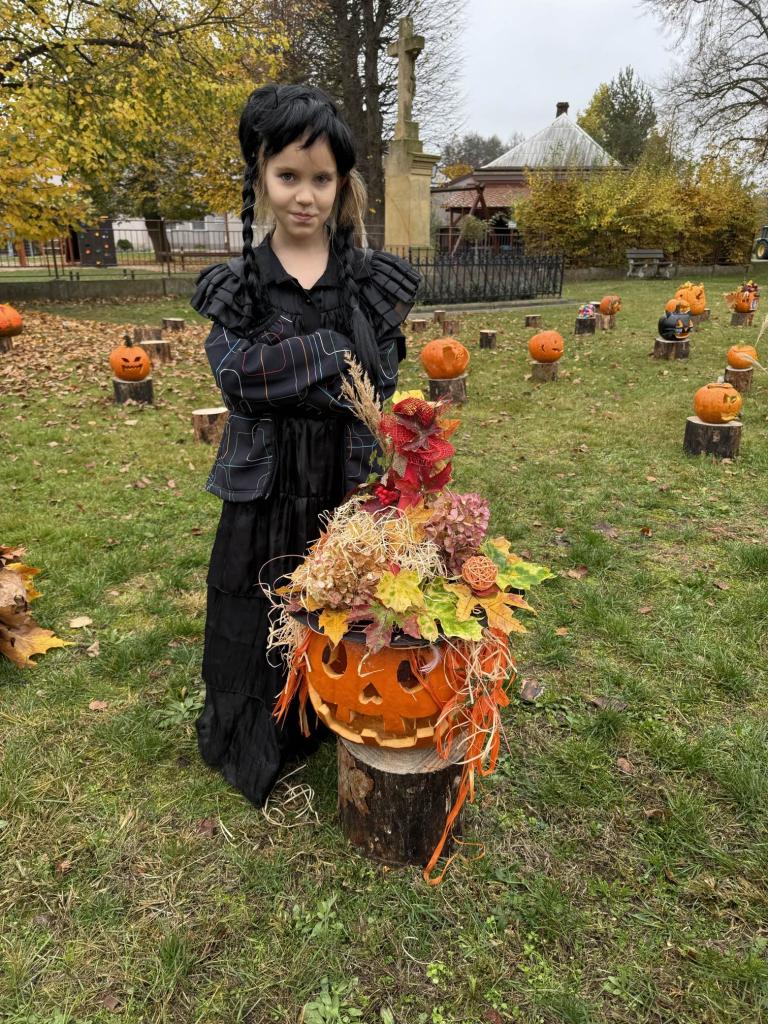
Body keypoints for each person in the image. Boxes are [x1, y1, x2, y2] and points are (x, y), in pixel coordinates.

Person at [191, 83, 420, 808]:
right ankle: (258, 728)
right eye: (288, 175)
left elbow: (376, 386)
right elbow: (239, 379)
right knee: (254, 602)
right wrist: (327, 349)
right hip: (263, 485)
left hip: (343, 482)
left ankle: (334, 709)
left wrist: (295, 366)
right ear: (261, 176)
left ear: (341, 184)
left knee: (342, 601)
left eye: (322, 178)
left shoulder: (370, 282)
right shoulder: (240, 284)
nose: (305, 195)